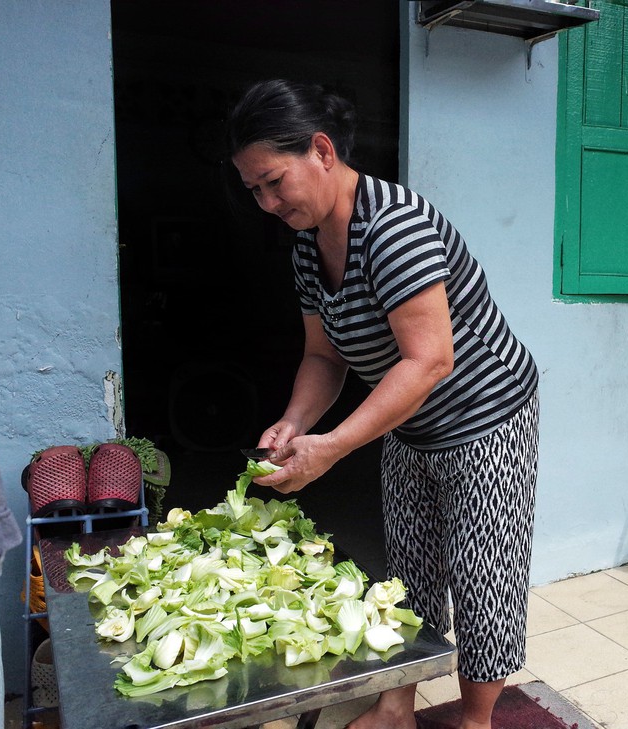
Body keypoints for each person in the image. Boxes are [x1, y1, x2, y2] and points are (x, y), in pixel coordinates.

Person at [226, 79, 540, 729]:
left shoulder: (394, 226)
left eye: (273, 181)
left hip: (485, 414)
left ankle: (476, 718)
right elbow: (323, 355)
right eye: (253, 188)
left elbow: (430, 359)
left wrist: (334, 445)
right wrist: (295, 422)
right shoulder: (309, 244)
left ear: (321, 151)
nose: (265, 202)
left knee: (482, 573)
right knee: (409, 569)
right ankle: (396, 702)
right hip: (407, 415)